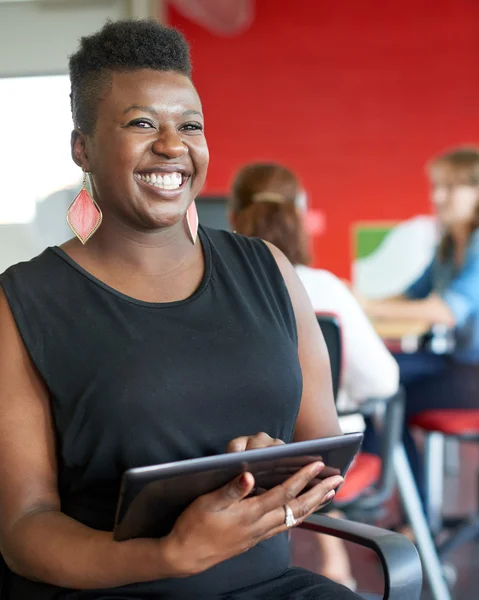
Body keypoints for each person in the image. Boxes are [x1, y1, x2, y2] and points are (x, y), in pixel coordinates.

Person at [0, 20, 359, 600]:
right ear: (82, 146)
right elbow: (23, 527)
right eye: (142, 123)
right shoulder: (23, 301)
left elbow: (325, 456)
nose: (173, 145)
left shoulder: (268, 269)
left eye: (189, 125)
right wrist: (167, 555)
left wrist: (280, 468)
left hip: (269, 586)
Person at [228, 162, 399, 588]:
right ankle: (371, 548)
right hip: (323, 457)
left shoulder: (218, 293)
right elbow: (383, 381)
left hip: (236, 456)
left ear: (232, 216)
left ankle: (333, 558)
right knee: (359, 414)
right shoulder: (325, 287)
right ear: (299, 214)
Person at [360, 147, 479, 502]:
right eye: (436, 187)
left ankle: (411, 509)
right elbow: (412, 296)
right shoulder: (448, 245)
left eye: (451, 188)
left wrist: (367, 305)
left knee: (387, 398)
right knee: (368, 379)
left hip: (473, 373)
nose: (438, 197)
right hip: (457, 363)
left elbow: (445, 311)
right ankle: (405, 505)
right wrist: (356, 302)